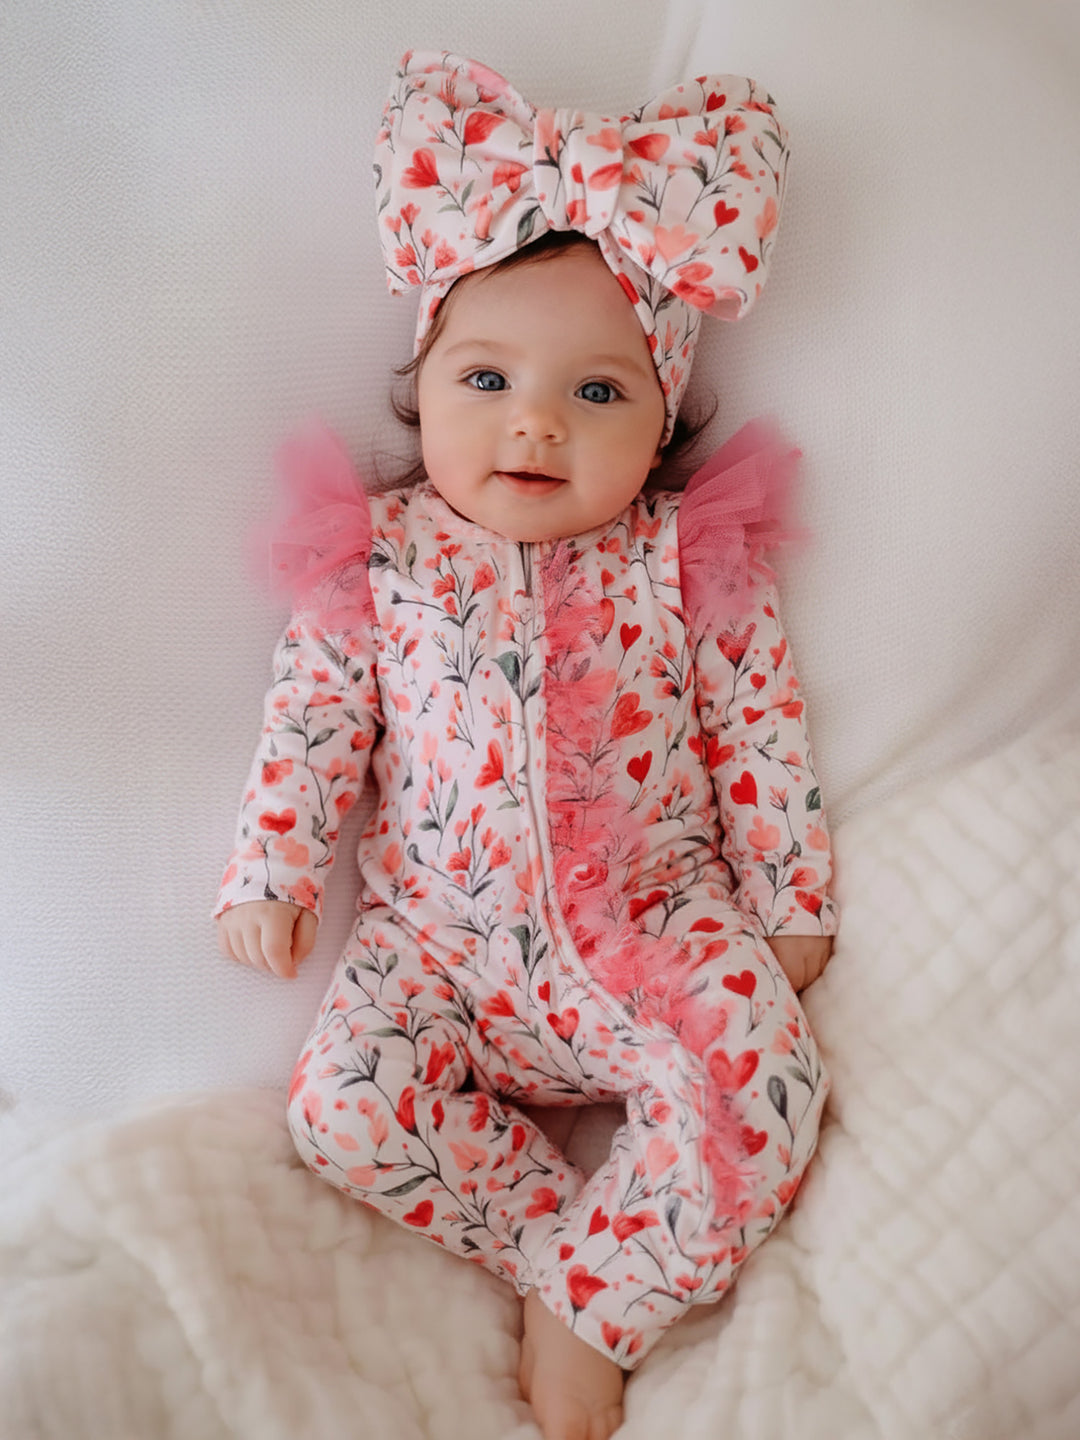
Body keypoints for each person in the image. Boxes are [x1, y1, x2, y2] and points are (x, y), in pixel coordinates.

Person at [216, 50, 838, 1440]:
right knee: (343, 1111)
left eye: (599, 394)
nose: (536, 422)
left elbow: (758, 722)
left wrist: (791, 893)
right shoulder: (382, 558)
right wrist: (274, 871)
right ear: (422, 385)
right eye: (487, 377)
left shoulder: (677, 558)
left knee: (771, 1082)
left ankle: (589, 1304)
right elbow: (314, 715)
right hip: (436, 951)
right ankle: (572, 1252)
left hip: (655, 926)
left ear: (664, 417)